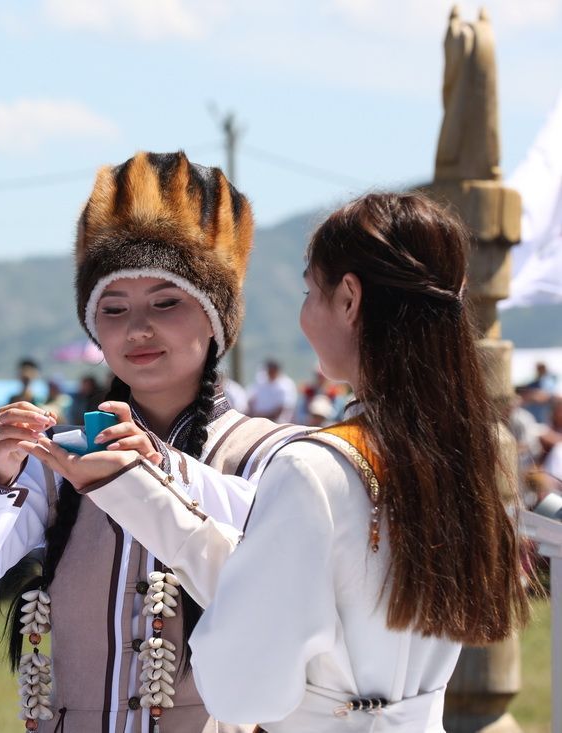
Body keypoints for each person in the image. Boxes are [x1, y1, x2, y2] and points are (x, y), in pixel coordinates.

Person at [27, 192, 531, 732]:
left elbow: (249, 688)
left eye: (312, 291)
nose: (305, 312)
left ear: (349, 299)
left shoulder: (316, 467)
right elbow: (292, 599)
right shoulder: (458, 455)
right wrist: (130, 487)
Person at [0, 152, 308, 732]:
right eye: (113, 309)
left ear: (215, 321)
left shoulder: (272, 450)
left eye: (167, 303)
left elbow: (276, 550)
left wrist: (160, 468)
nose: (138, 328)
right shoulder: (63, 454)